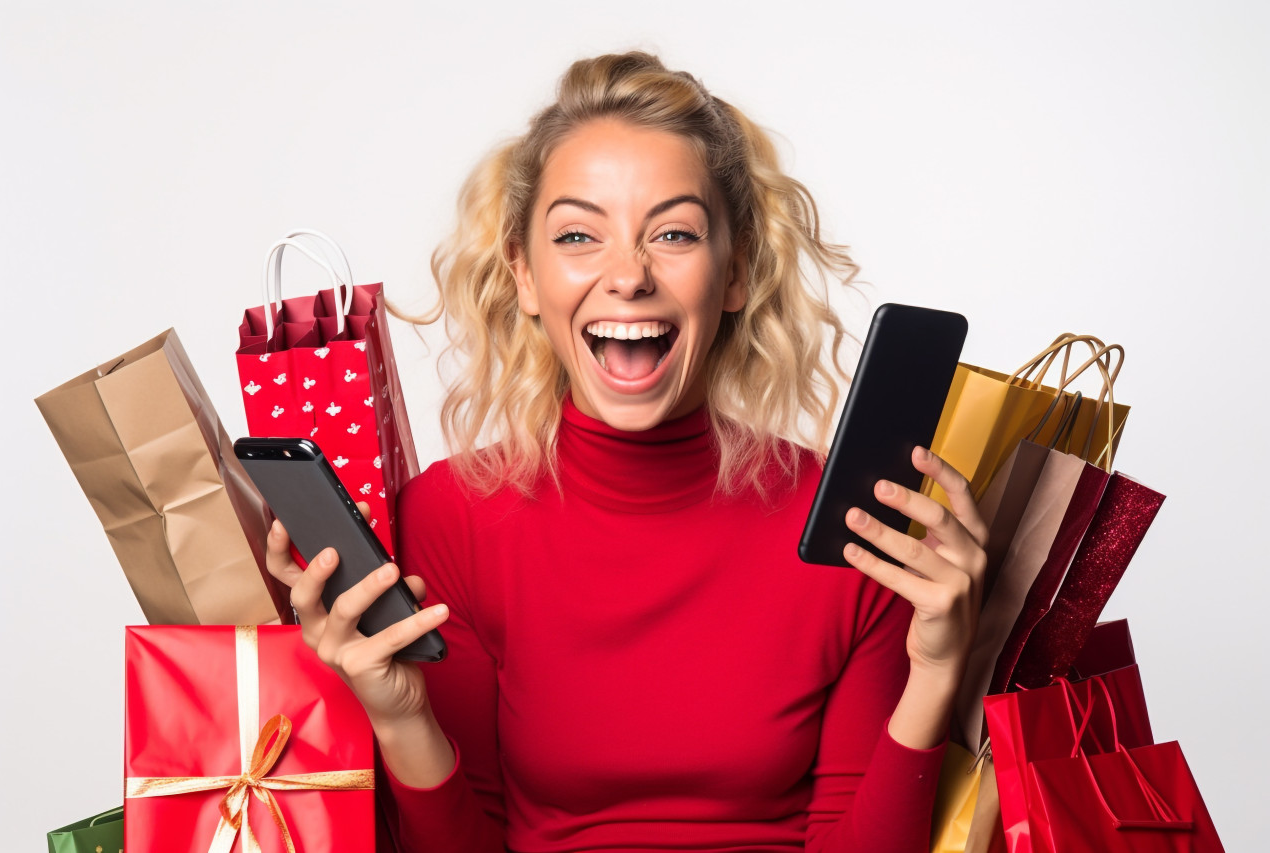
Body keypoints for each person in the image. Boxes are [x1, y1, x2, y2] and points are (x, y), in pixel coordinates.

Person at [268, 52, 986, 852]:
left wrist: (935, 673)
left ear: (737, 270)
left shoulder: (857, 526)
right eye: (579, 235)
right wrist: (401, 719)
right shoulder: (449, 519)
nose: (628, 275)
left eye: (673, 233)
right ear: (525, 276)